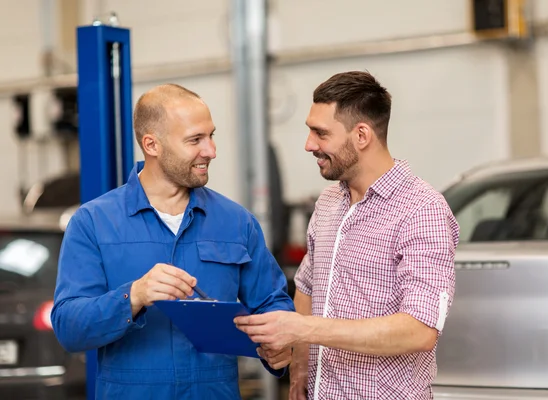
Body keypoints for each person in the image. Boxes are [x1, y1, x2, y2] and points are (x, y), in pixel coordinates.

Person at [51, 83, 295, 399]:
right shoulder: (93, 223)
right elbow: (69, 327)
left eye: (211, 135)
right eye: (195, 140)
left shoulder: (236, 222)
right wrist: (134, 296)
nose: (211, 150)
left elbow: (272, 303)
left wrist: (279, 345)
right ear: (152, 145)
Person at [234, 71, 460, 399]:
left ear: (362, 135)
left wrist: (304, 329)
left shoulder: (422, 210)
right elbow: (308, 289)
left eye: (320, 133)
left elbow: (419, 330)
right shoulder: (328, 202)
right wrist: (299, 366)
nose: (309, 145)